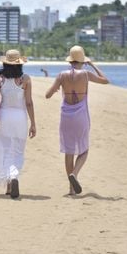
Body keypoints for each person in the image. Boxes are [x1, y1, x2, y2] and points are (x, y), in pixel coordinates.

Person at [45, 45, 109, 196]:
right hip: (81, 117)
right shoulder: (86, 74)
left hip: (66, 117)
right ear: (82, 61)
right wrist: (92, 64)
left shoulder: (61, 75)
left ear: (70, 61)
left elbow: (47, 95)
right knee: (84, 150)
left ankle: (71, 188)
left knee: (69, 152)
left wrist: (56, 89)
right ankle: (75, 174)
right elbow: (105, 80)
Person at [0, 49, 36, 199]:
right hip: (20, 117)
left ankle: (10, 181)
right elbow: (29, 103)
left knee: (5, 149)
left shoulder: (0, 78)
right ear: (20, 64)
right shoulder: (25, 79)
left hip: (4, 116)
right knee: (18, 150)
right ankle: (13, 178)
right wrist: (33, 123)